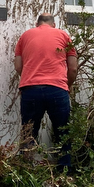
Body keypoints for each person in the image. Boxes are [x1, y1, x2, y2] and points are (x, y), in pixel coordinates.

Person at [14, 13, 78, 169]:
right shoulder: (63, 35)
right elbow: (73, 68)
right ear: (53, 24)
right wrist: (66, 85)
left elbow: (18, 66)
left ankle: (25, 170)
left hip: (31, 90)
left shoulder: (25, 36)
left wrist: (32, 79)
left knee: (29, 132)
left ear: (37, 24)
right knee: (62, 131)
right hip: (57, 89)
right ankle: (64, 170)